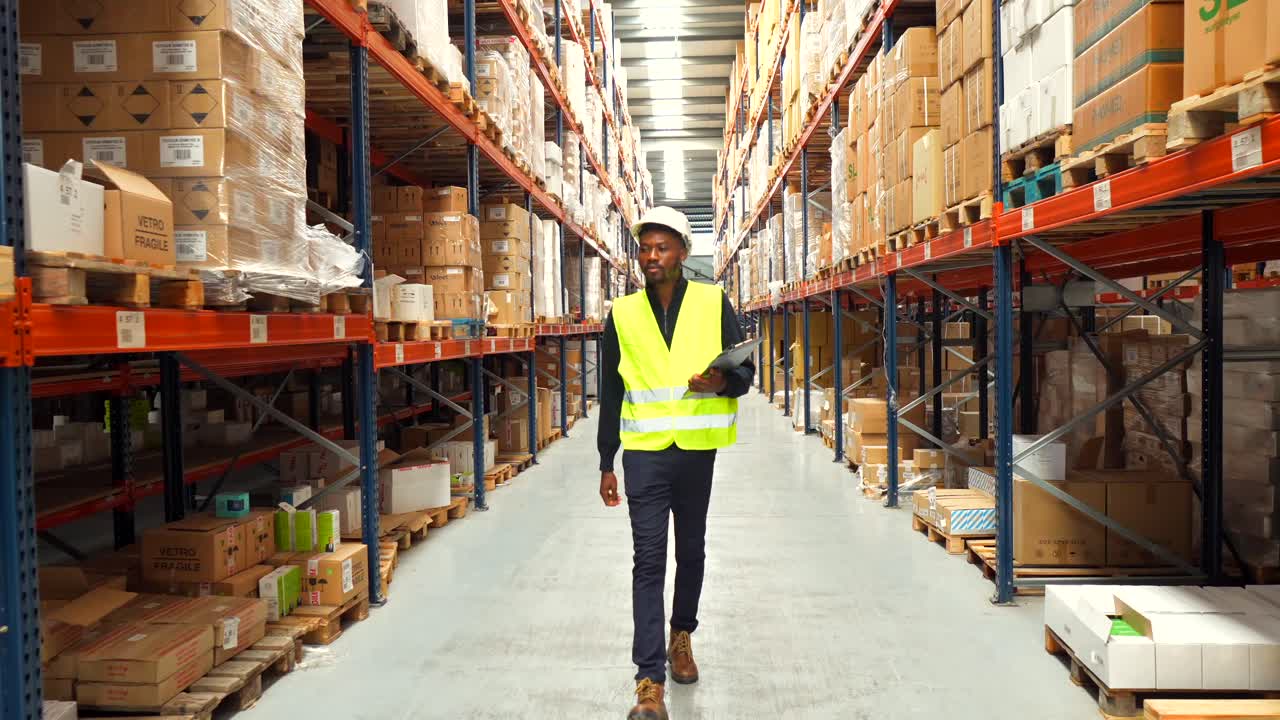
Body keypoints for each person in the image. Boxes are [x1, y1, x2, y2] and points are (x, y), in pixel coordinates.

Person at [597, 206, 755, 720]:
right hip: (644, 456)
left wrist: (722, 383)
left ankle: (681, 634)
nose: (651, 257)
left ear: (683, 254)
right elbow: (610, 391)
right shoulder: (622, 314)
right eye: (645, 248)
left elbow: (745, 373)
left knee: (691, 551)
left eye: (662, 248)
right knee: (648, 559)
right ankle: (648, 682)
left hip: (694, 453)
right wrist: (606, 460)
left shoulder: (713, 301)